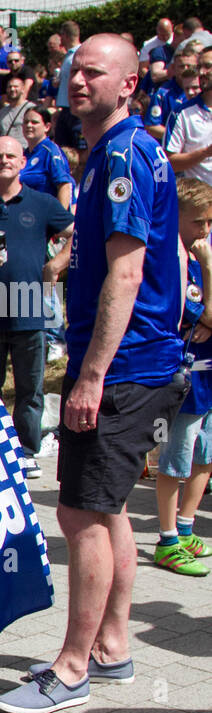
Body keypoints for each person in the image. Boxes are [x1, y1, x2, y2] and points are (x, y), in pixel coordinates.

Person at [0, 35, 185, 713]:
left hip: (123, 368)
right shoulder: (118, 149)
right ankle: (110, 649)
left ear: (130, 83)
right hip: (141, 360)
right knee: (104, 511)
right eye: (75, 69)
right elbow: (174, 256)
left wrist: (90, 376)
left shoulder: (126, 152)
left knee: (79, 514)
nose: (78, 80)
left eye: (94, 72)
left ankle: (73, 665)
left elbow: (128, 271)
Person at [0, 137, 74, 479]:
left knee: (31, 388)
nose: (4, 161)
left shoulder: (43, 204)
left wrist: (56, 265)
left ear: (23, 162)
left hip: (29, 307)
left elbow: (76, 232)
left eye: (11, 155)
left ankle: (27, 449)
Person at [150, 178, 212, 575]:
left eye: (210, 223)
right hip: (186, 382)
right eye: (199, 223)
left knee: (205, 458)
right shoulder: (179, 263)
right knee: (176, 460)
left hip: (210, 381)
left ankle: (187, 526)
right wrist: (206, 267)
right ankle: (168, 538)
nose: (205, 231)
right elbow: (206, 316)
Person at [166, 48, 212, 185]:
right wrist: (206, 153)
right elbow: (170, 163)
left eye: (208, 66)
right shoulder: (182, 113)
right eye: (199, 67)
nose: (202, 72)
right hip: (200, 201)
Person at [21, 105, 75, 210]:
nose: (29, 125)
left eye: (34, 122)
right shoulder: (24, 154)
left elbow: (64, 186)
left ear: (47, 127)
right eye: (26, 122)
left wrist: (59, 221)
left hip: (45, 216)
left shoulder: (51, 151)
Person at [0, 66, 35, 147]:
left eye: (16, 86)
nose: (12, 89)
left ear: (23, 89)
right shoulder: (2, 112)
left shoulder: (31, 109)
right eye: (10, 87)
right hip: (5, 152)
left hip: (24, 151)